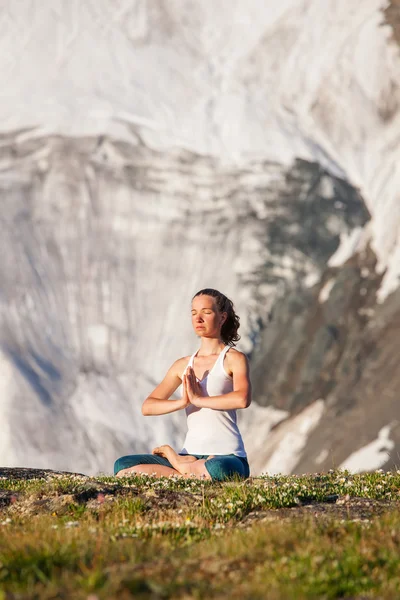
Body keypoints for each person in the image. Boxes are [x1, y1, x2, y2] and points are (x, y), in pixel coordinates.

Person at [114, 288, 251, 482]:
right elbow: (148, 406)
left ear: (222, 317)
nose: (198, 319)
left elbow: (242, 398)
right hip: (191, 455)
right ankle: (189, 470)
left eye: (207, 312)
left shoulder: (234, 359)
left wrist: (199, 399)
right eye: (194, 313)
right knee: (123, 464)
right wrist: (183, 402)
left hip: (227, 456)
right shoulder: (182, 364)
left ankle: (177, 464)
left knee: (218, 470)